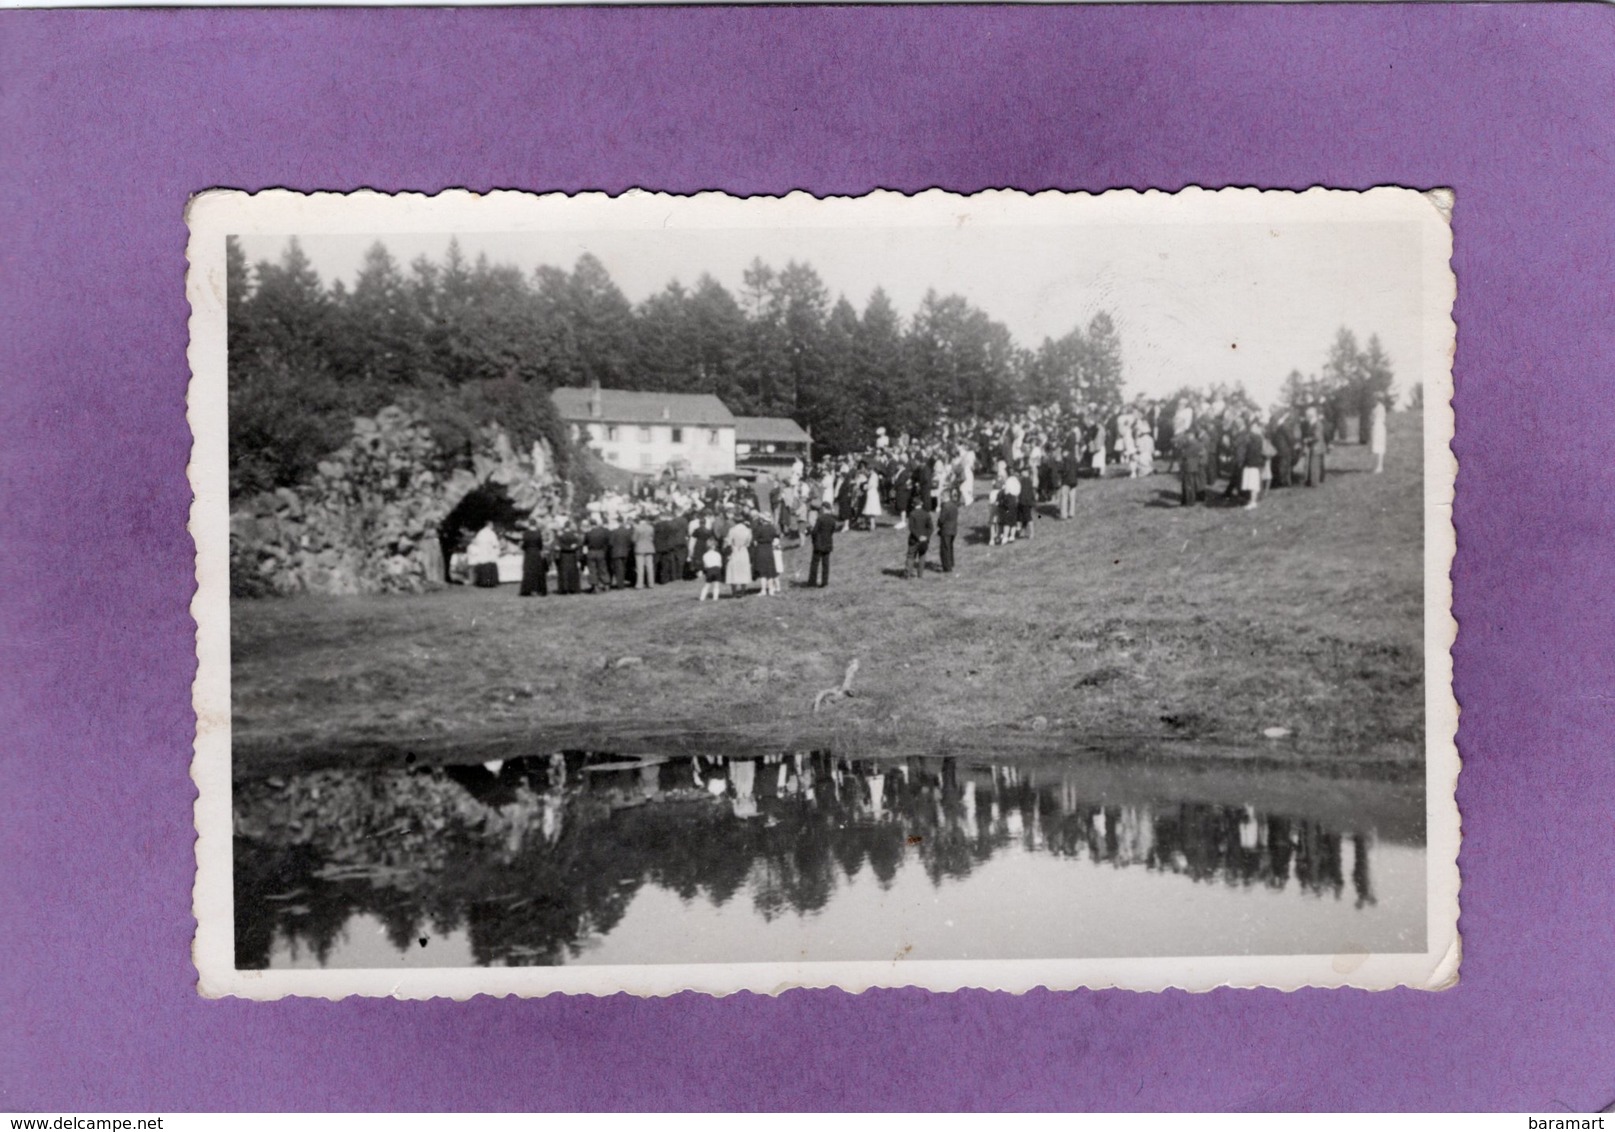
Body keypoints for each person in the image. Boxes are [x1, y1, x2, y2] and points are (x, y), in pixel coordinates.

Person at [1239, 415, 1267, 510]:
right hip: (1252, 463)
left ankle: (1253, 501)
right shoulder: (1257, 437)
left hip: (1252, 463)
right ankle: (1252, 500)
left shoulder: (1254, 437)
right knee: (1252, 483)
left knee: (1252, 483)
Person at [807, 504, 836, 588]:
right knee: (826, 564)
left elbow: (815, 531)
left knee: (815, 563)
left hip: (818, 544)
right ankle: (825, 582)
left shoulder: (820, 519)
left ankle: (812, 582)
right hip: (828, 544)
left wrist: (813, 539)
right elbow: (832, 531)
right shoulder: (832, 520)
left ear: (824, 508)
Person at [724, 514, 754, 596]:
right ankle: (743, 590)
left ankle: (734, 591)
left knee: (734, 570)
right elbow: (748, 543)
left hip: (734, 550)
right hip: (743, 550)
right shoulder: (748, 530)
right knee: (743, 569)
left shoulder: (732, 530)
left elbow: (729, 542)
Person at [752, 511, 780, 596]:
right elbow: (776, 537)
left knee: (762, 571)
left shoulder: (759, 529)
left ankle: (763, 590)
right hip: (769, 549)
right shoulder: (772, 528)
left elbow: (754, 540)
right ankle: (771, 589)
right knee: (770, 571)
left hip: (761, 549)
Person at [1177, 427, 1207, 506]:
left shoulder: (1191, 444)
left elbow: (1184, 454)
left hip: (1189, 466)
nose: (1186, 437)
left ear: (1191, 435)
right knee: (1192, 484)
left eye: (1187, 435)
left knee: (1188, 485)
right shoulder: (1198, 443)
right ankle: (1189, 501)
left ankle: (1189, 502)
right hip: (1195, 466)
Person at [905, 496, 933, 578]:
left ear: (913, 505)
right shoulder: (926, 514)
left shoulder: (912, 514)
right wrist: (926, 537)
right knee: (922, 556)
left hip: (914, 539)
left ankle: (907, 574)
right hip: (924, 541)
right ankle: (920, 575)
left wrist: (918, 536)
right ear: (921, 503)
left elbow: (911, 528)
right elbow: (931, 528)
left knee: (910, 556)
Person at [1300, 404, 1328, 486]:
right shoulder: (1313, 423)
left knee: (1314, 465)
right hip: (1314, 446)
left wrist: (1307, 439)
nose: (1306, 417)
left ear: (1311, 415)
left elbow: (1317, 436)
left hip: (1316, 447)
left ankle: (1314, 482)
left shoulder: (1317, 424)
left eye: (1307, 415)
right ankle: (1310, 481)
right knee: (1311, 464)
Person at [467, 523, 501, 588]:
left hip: (482, 553)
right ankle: (490, 582)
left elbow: (477, 542)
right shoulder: (491, 533)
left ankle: (482, 582)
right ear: (489, 525)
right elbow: (495, 543)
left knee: (483, 567)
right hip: (489, 553)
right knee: (489, 566)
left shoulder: (480, 533)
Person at [518, 523, 547, 597]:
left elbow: (523, 544)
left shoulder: (526, 533)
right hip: (536, 552)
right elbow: (540, 544)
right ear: (535, 524)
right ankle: (538, 589)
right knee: (537, 571)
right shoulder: (538, 533)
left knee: (528, 571)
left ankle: (528, 589)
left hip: (528, 553)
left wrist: (526, 549)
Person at [554, 522, 583, 594]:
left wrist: (563, 548)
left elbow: (557, 546)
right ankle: (573, 588)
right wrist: (573, 547)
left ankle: (564, 588)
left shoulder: (560, 536)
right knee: (572, 572)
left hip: (563, 555)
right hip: (572, 555)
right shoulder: (574, 535)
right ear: (570, 527)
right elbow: (579, 543)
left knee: (564, 572)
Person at [583, 517, 611, 593]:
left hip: (591, 552)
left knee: (592, 570)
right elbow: (607, 542)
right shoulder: (602, 532)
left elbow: (585, 544)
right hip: (601, 551)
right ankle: (606, 584)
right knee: (603, 569)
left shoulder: (588, 533)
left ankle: (595, 586)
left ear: (590, 524)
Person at [937, 489, 960, 574]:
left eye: (941, 496)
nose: (940, 498)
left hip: (946, 530)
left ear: (945, 496)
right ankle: (951, 562)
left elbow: (941, 519)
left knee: (945, 549)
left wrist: (939, 524)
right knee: (950, 547)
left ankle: (947, 568)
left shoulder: (945, 506)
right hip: (953, 529)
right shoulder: (954, 505)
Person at [607, 515, 633, 589]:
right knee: (623, 568)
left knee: (618, 569)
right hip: (625, 552)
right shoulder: (627, 532)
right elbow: (630, 542)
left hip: (616, 553)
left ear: (618, 522)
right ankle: (622, 583)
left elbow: (610, 543)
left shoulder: (614, 532)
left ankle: (620, 585)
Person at [632, 512, 656, 589]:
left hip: (640, 548)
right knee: (650, 567)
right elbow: (652, 537)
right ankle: (651, 583)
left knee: (640, 568)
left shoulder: (637, 528)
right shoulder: (651, 527)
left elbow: (634, 539)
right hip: (649, 548)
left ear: (639, 519)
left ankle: (640, 584)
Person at [1370, 397, 1388, 474]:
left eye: (1375, 399)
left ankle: (1379, 467)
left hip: (1378, 428)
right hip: (1378, 427)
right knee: (1377, 447)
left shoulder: (1379, 408)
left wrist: (1373, 421)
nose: (1373, 401)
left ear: (1378, 399)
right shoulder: (1378, 408)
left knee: (1379, 447)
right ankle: (1378, 466)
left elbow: (1376, 419)